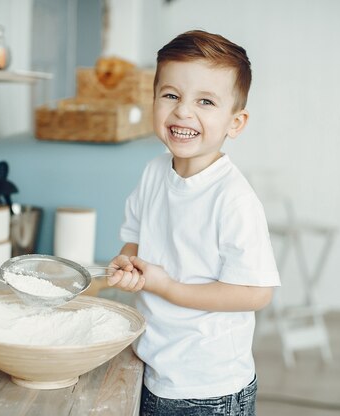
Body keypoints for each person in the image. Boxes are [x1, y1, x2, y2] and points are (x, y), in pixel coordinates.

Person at [107, 30, 281, 416]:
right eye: (171, 95)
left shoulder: (233, 199)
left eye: (205, 101)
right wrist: (129, 264)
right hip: (156, 364)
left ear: (235, 123)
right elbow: (135, 238)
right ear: (153, 101)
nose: (184, 111)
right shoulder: (154, 172)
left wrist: (167, 286)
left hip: (207, 386)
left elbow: (256, 293)